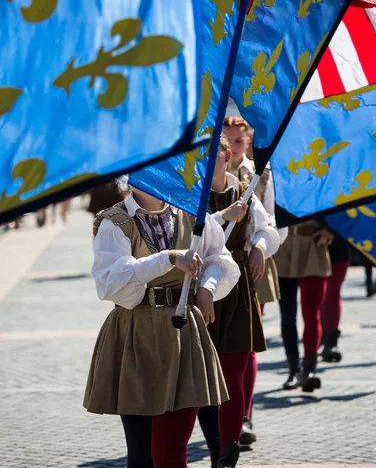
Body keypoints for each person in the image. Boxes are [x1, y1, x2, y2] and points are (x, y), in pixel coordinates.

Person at [83, 182, 241, 468]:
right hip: (135, 333)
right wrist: (168, 259)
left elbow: (219, 258)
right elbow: (111, 283)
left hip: (184, 334)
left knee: (171, 448)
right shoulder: (115, 221)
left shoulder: (192, 213)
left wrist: (207, 288)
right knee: (142, 454)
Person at [197, 135, 280, 468]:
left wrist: (259, 247)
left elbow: (266, 228)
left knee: (234, 369)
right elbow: (193, 234)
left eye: (211, 154)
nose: (203, 161)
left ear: (227, 156)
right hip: (200, 287)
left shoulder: (243, 189)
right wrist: (222, 216)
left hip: (237, 288)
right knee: (201, 373)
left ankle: (228, 449)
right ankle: (216, 443)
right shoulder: (191, 196)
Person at [274, 222, 334, 392]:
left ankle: (309, 369)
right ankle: (294, 369)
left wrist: (332, 229)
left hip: (314, 247)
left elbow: (338, 202)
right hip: (283, 248)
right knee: (288, 316)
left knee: (311, 314)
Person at [320, 238, 350, 362]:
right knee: (315, 298)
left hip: (338, 246)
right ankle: (319, 337)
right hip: (311, 245)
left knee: (332, 293)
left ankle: (331, 341)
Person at [223, 116, 254, 185]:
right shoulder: (208, 171)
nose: (232, 146)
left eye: (238, 141)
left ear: (247, 142)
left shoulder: (263, 173)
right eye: (227, 141)